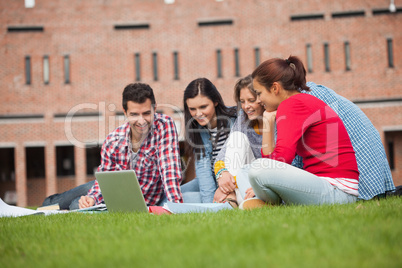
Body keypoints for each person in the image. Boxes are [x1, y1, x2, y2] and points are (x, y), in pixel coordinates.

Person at [247, 56, 360, 206]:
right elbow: (273, 162)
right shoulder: (299, 101)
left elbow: (281, 159)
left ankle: (268, 204)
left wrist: (260, 180)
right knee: (256, 170)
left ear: (275, 88)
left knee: (257, 168)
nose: (259, 100)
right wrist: (268, 121)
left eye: (259, 93)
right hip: (328, 187)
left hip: (336, 190)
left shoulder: (292, 105)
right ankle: (263, 204)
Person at [79, 82, 185, 208]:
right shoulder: (112, 141)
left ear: (154, 109)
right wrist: (92, 198)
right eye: (134, 114)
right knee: (77, 202)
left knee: (75, 203)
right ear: (125, 112)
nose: (141, 121)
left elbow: (169, 169)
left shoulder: (164, 125)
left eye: (146, 113)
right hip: (120, 197)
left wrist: (176, 207)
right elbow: (106, 180)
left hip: (153, 198)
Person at [182, 77, 237, 203]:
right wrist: (210, 202)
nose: (198, 114)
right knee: (173, 196)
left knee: (188, 199)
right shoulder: (195, 129)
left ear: (216, 101)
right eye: (192, 109)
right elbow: (203, 169)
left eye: (203, 107)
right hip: (211, 179)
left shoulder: (235, 118)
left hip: (231, 179)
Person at [213, 75, 264, 204]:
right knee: (237, 138)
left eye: (251, 100)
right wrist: (222, 174)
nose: (246, 106)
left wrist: (261, 186)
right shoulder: (242, 118)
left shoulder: (276, 119)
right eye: (242, 101)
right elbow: (221, 156)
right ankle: (232, 197)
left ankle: (232, 201)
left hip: (269, 179)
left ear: (263, 98)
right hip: (246, 180)